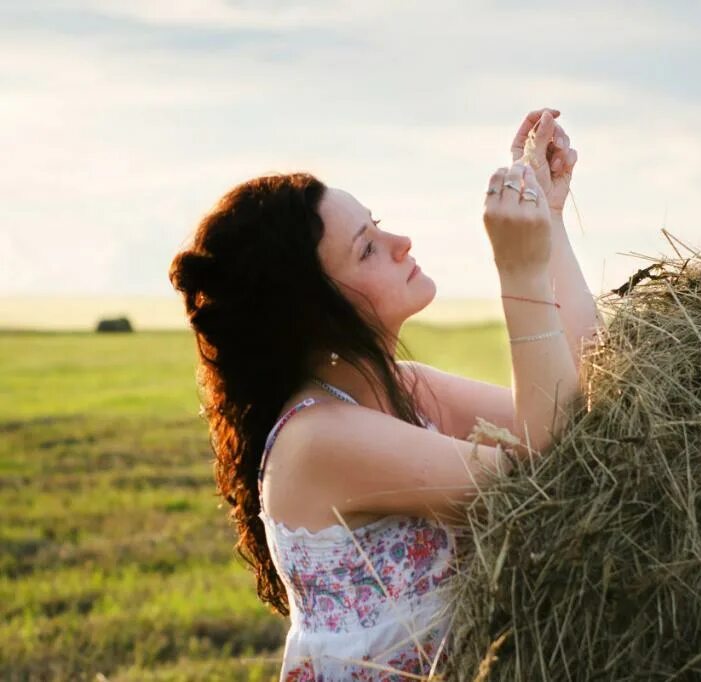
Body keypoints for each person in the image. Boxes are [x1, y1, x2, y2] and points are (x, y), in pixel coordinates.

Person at [168, 108, 601, 680]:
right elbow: (552, 483)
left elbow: (593, 406)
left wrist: (549, 221)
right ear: (312, 312)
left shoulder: (404, 387)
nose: (401, 243)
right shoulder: (316, 440)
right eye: (367, 248)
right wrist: (520, 275)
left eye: (378, 225)